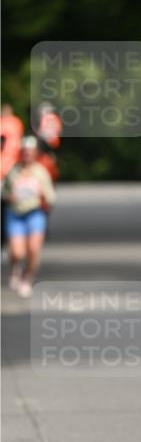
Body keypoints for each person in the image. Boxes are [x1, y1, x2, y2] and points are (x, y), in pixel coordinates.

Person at [2, 135, 55, 298]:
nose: (27, 155)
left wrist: (41, 195)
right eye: (24, 152)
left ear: (35, 153)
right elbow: (4, 193)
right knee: (17, 252)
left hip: (35, 213)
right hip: (15, 213)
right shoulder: (13, 171)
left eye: (30, 152)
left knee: (33, 250)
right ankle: (15, 268)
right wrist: (10, 196)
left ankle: (27, 279)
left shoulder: (40, 172)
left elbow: (51, 197)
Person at [1, 104, 25, 247]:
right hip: (4, 169)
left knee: (11, 203)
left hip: (11, 168)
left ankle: (10, 236)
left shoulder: (15, 123)